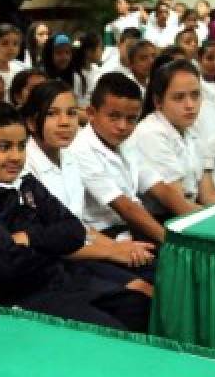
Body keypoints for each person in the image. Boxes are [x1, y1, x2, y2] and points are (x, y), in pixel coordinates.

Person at [0, 101, 151, 331]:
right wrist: (54, 247)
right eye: (4, 147)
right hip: (25, 295)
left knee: (137, 304)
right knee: (110, 329)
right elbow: (9, 265)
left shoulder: (26, 183)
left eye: (21, 146)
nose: (16, 156)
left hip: (61, 279)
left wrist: (31, 238)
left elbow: (74, 230)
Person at [19, 82, 155, 272]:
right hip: (50, 262)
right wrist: (113, 251)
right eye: (52, 113)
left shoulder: (69, 156)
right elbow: (47, 240)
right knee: (140, 289)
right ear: (32, 122)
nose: (65, 122)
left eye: (72, 113)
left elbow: (78, 225)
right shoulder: (24, 166)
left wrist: (120, 247)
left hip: (83, 247)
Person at [71, 72, 193, 244]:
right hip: (103, 234)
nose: (122, 126)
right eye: (114, 117)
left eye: (131, 119)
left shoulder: (126, 142)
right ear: (91, 113)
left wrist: (199, 223)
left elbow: (160, 188)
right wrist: (171, 242)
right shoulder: (80, 148)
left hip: (132, 225)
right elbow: (125, 207)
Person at [130, 60, 215, 216]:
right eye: (179, 97)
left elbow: (208, 195)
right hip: (166, 220)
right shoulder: (150, 132)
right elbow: (179, 206)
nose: (190, 105)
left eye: (195, 95)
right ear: (158, 101)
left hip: (192, 210)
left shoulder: (191, 128)